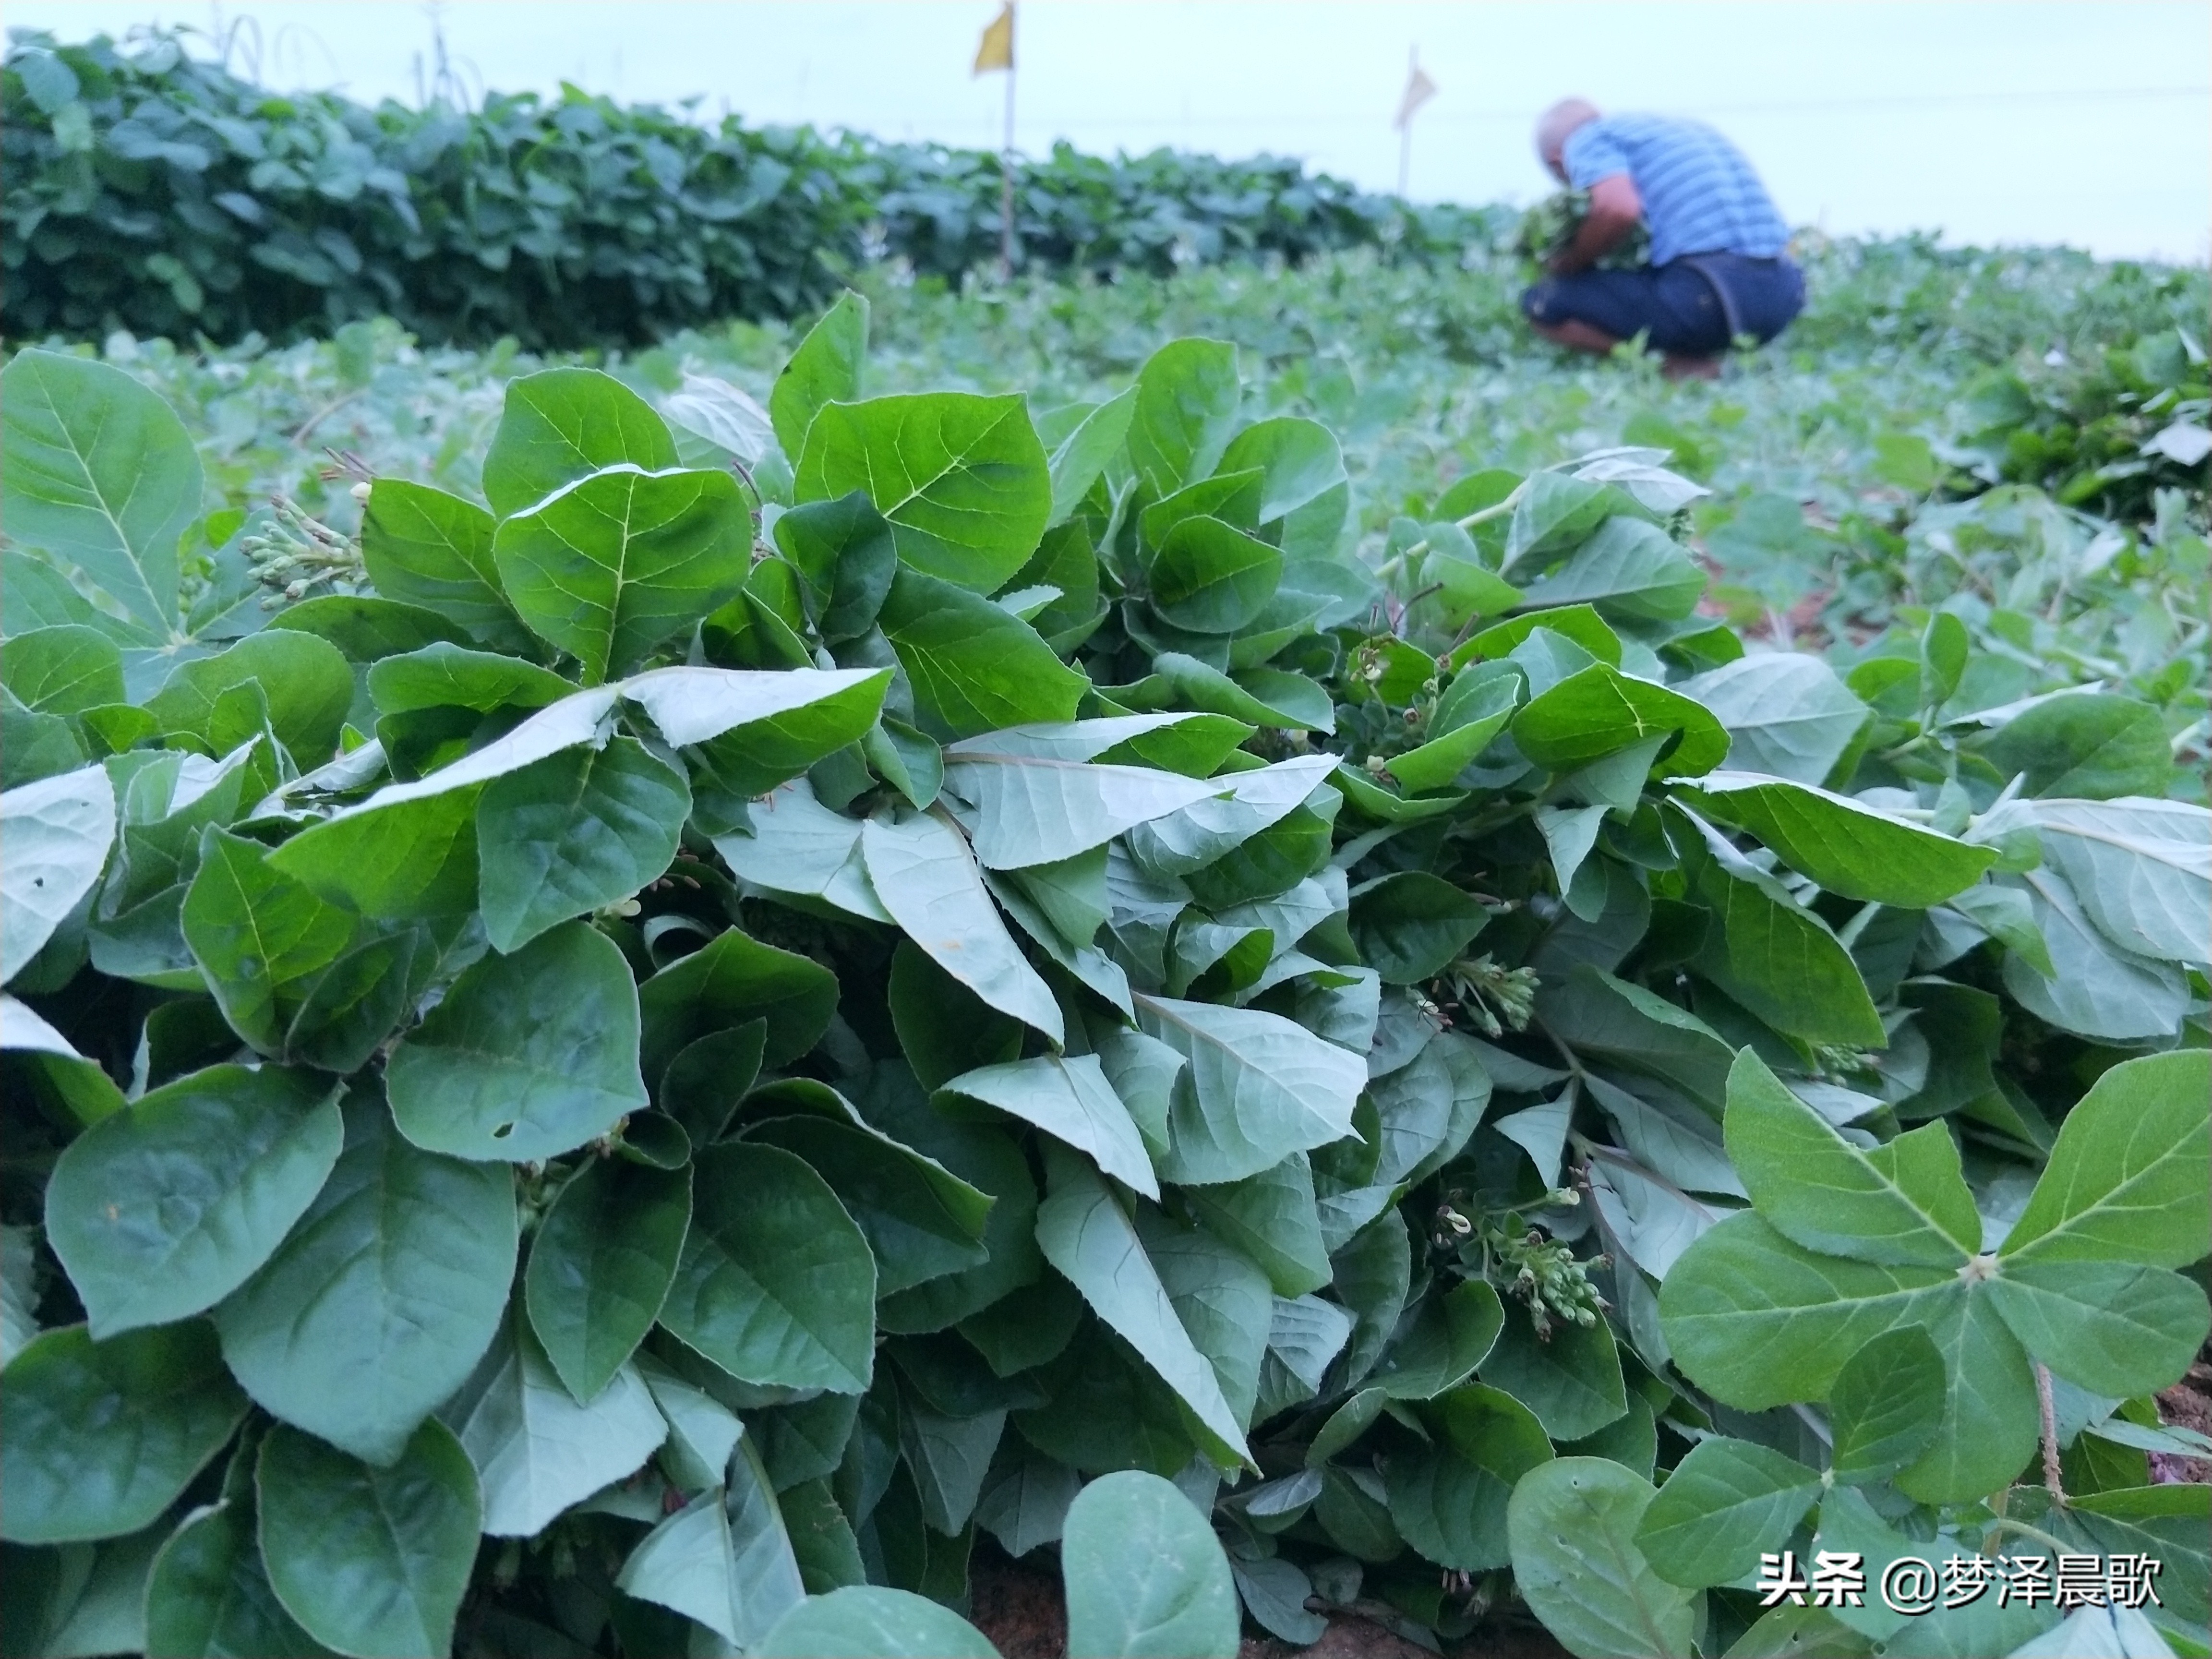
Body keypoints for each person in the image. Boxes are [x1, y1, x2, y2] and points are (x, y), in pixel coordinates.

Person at [1520, 98, 1803, 378]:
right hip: (1783, 295)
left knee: (1543, 301)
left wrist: (1571, 262)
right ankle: (1704, 354)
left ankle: (1677, 367)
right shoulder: (1685, 131)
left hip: (1710, 296)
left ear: (1558, 161)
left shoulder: (1586, 141)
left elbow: (1619, 210)